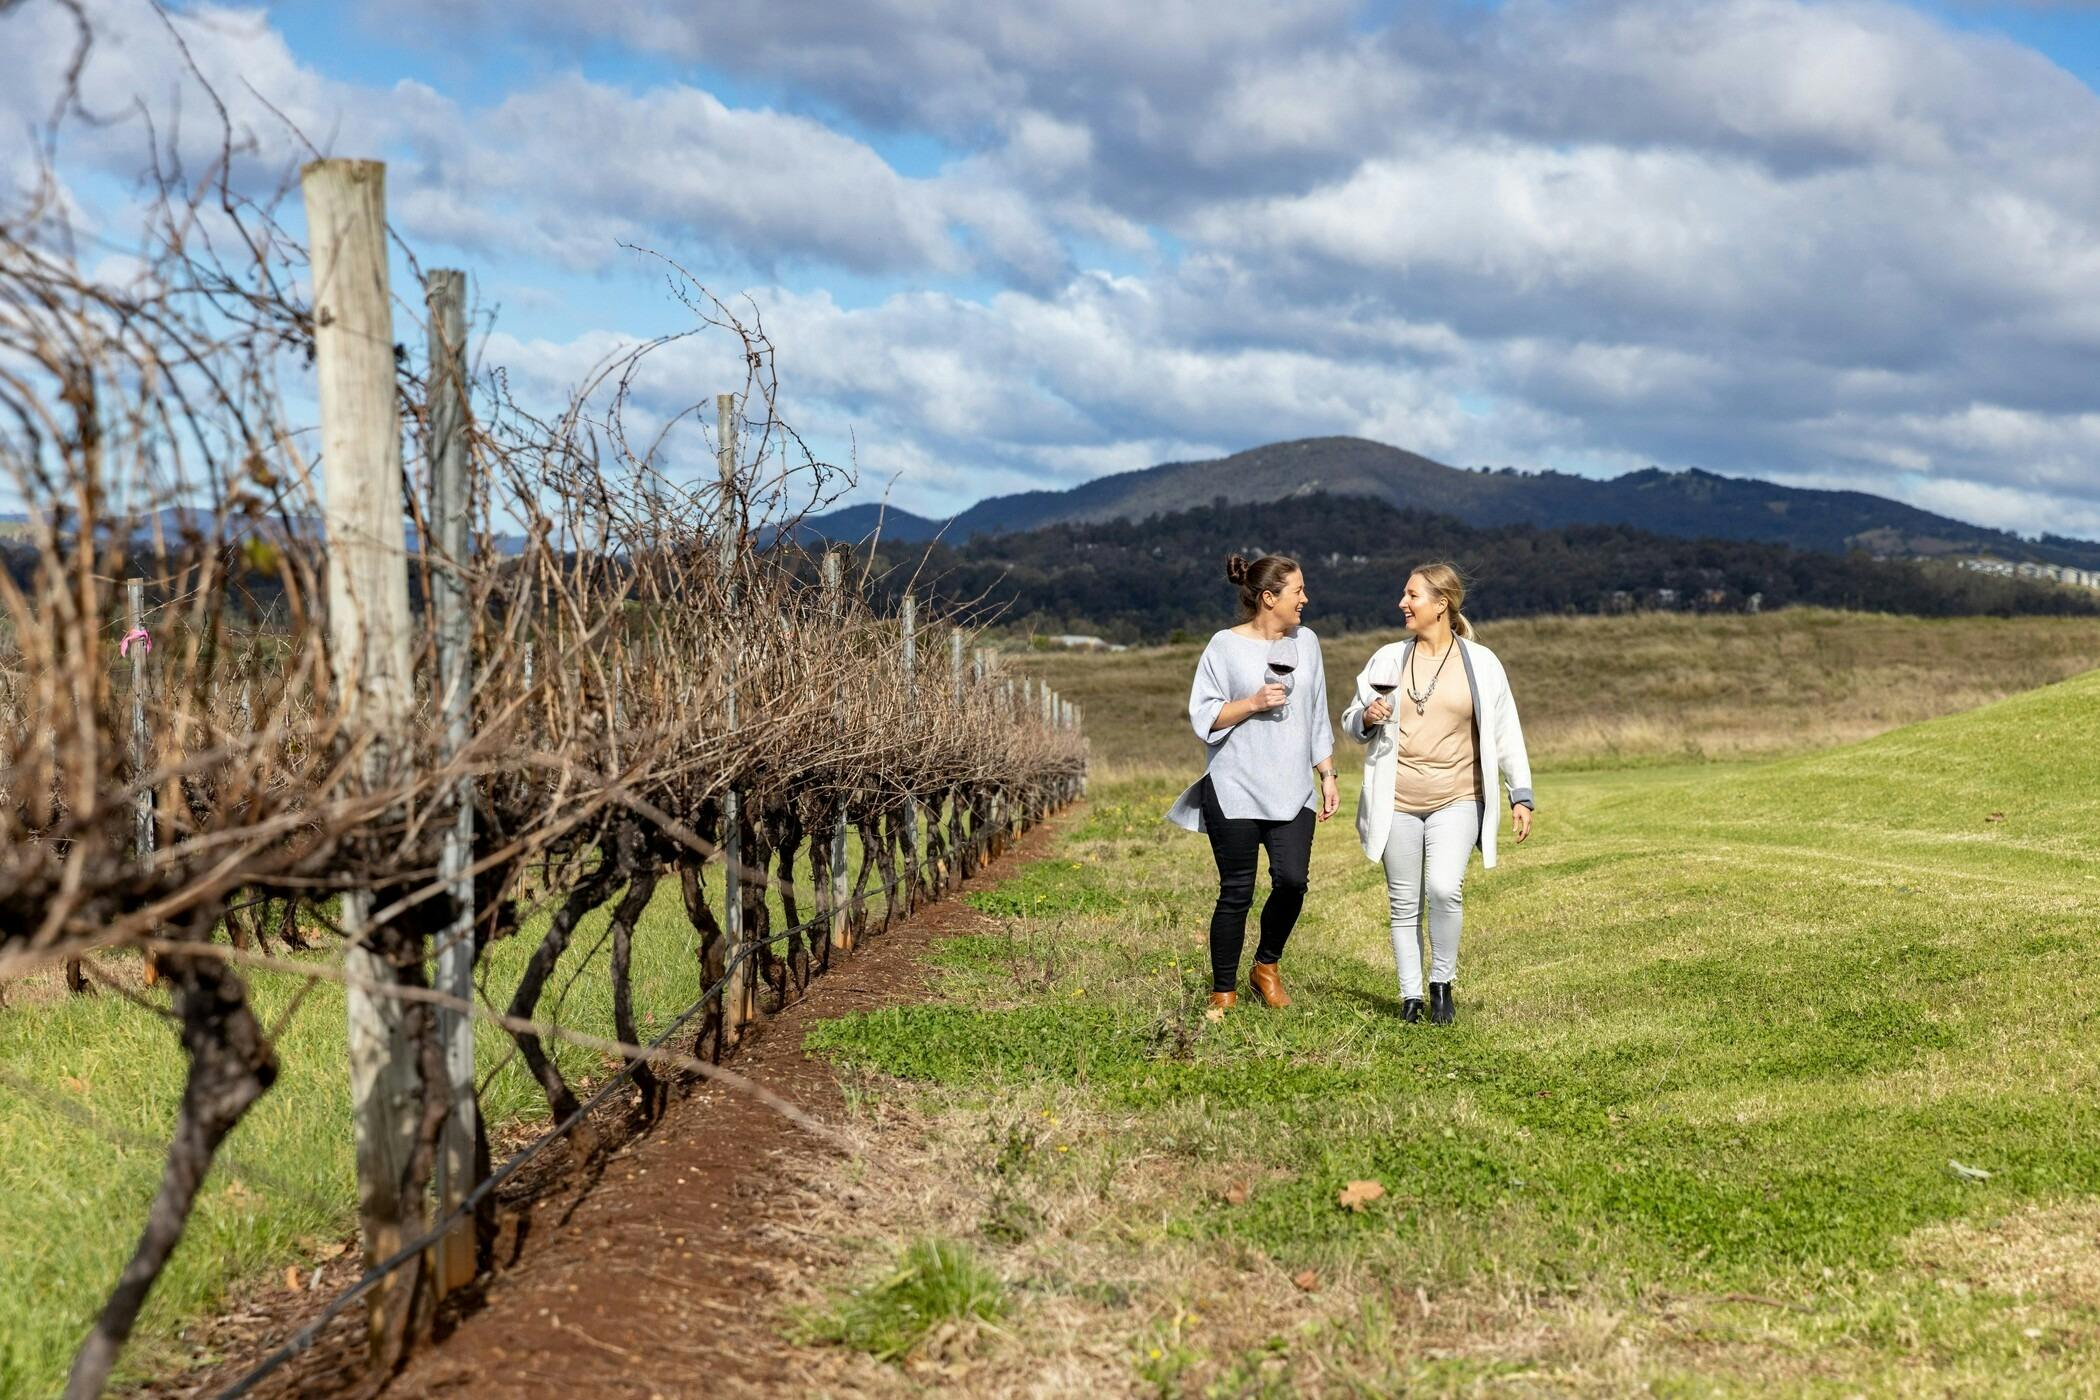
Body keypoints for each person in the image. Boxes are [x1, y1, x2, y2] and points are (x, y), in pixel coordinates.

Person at [1340, 563, 1532, 1025]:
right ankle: (1411, 998)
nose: (1402, 604)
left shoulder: (1481, 664)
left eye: (1412, 596)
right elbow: (1350, 720)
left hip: (1458, 796)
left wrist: (1519, 793)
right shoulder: (1387, 659)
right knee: (1404, 902)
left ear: (1441, 604)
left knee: (1445, 888)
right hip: (1397, 801)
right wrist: (1367, 716)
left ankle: (1441, 983)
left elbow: (1506, 732)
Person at [1167, 554, 1340, 1012]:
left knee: (1292, 881)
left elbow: (1317, 713)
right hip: (1234, 786)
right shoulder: (1223, 646)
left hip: (1292, 786)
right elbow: (1204, 716)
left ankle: (1266, 965)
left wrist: (1327, 773)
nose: (1305, 598)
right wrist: (1251, 703)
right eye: (1297, 591)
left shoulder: (1308, 642)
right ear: (1269, 598)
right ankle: (1223, 989)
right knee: (1236, 891)